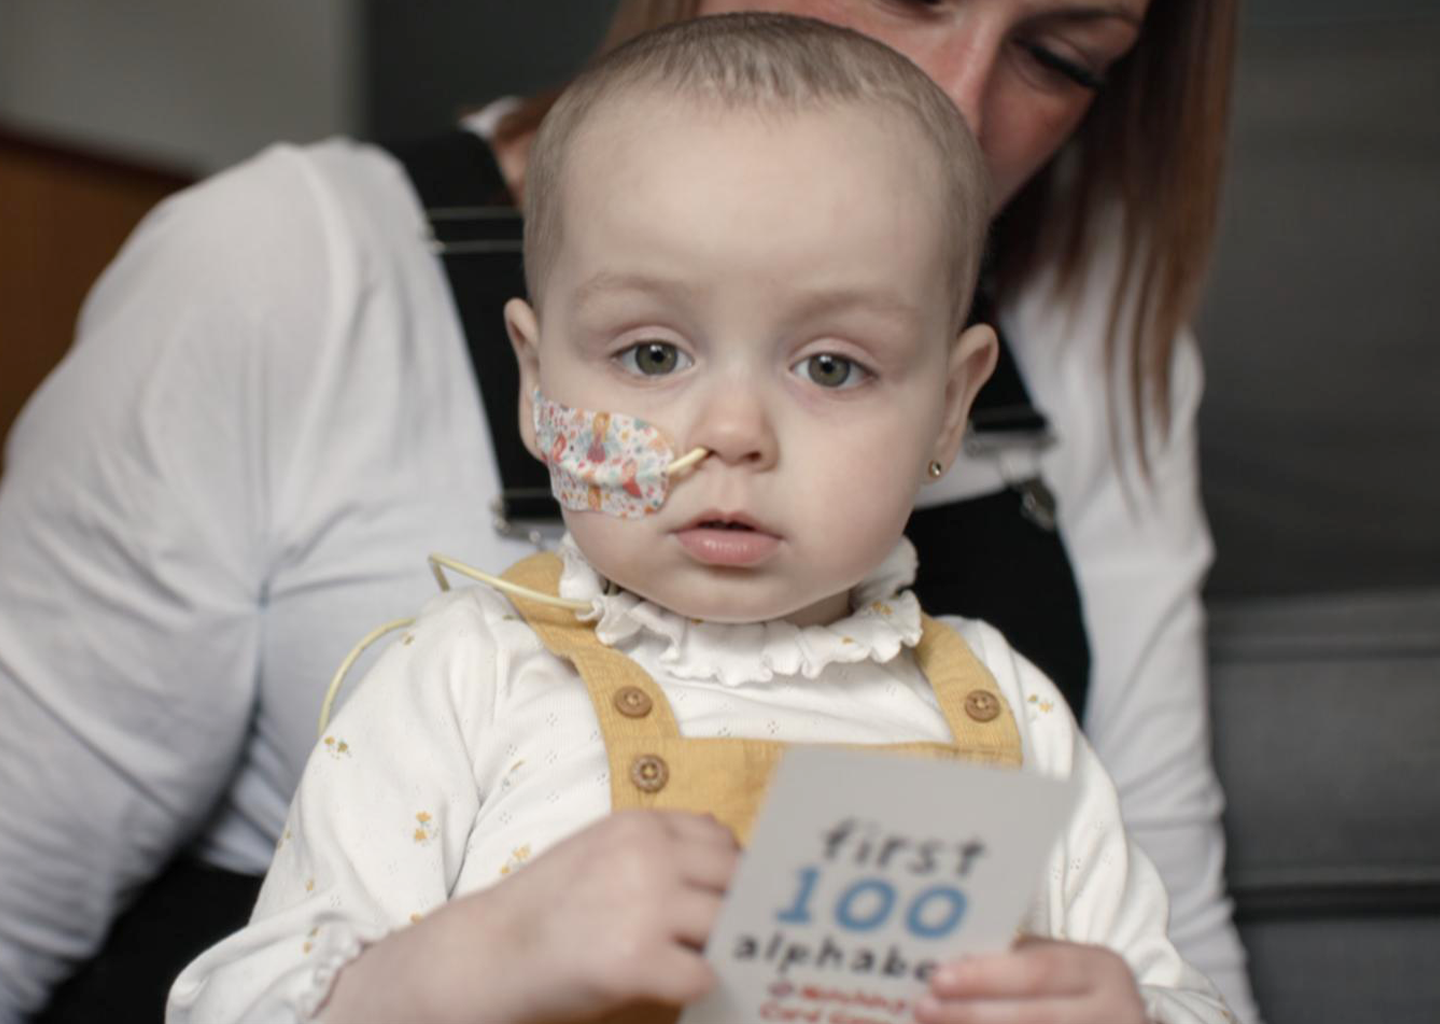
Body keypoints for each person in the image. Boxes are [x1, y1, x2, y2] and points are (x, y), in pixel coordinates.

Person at [0, 1, 1257, 1022]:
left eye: (831, 367)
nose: (731, 431)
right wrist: (445, 976)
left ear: (951, 407)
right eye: (653, 356)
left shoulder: (1008, 713)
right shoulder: (459, 685)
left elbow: (1183, 973)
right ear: (537, 385)